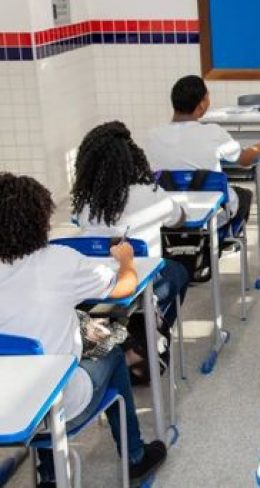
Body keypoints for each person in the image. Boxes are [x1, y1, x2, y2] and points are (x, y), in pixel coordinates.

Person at [0, 173, 166, 487]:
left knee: (41, 361)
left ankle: (50, 474)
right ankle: (135, 457)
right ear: (40, 220)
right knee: (111, 354)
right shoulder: (59, 261)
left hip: (7, 408)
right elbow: (124, 287)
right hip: (55, 408)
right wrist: (126, 260)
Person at [71, 120, 190, 383]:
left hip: (93, 288)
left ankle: (131, 335)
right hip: (140, 283)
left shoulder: (85, 204)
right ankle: (150, 333)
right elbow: (180, 218)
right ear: (132, 158)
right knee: (178, 272)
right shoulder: (149, 193)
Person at [144, 75, 260, 229]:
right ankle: (221, 238)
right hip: (209, 213)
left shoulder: (152, 136)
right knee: (244, 195)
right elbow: (244, 159)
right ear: (201, 105)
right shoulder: (213, 133)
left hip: (167, 215)